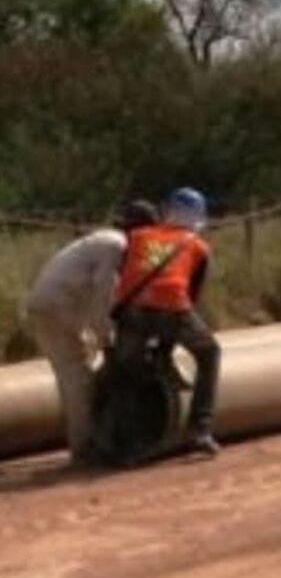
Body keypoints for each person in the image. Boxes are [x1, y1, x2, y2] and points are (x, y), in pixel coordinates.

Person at [25, 200, 159, 463]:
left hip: (49, 305)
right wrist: (105, 336)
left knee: (72, 374)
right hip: (58, 306)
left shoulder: (105, 240)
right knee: (78, 377)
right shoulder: (115, 246)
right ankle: (85, 449)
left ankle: (84, 441)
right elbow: (103, 292)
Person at [112, 187, 221, 455]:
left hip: (132, 310)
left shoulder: (138, 236)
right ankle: (200, 428)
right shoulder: (198, 246)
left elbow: (124, 272)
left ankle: (120, 441)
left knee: (124, 372)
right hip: (172, 308)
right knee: (209, 353)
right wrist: (166, 346)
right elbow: (191, 299)